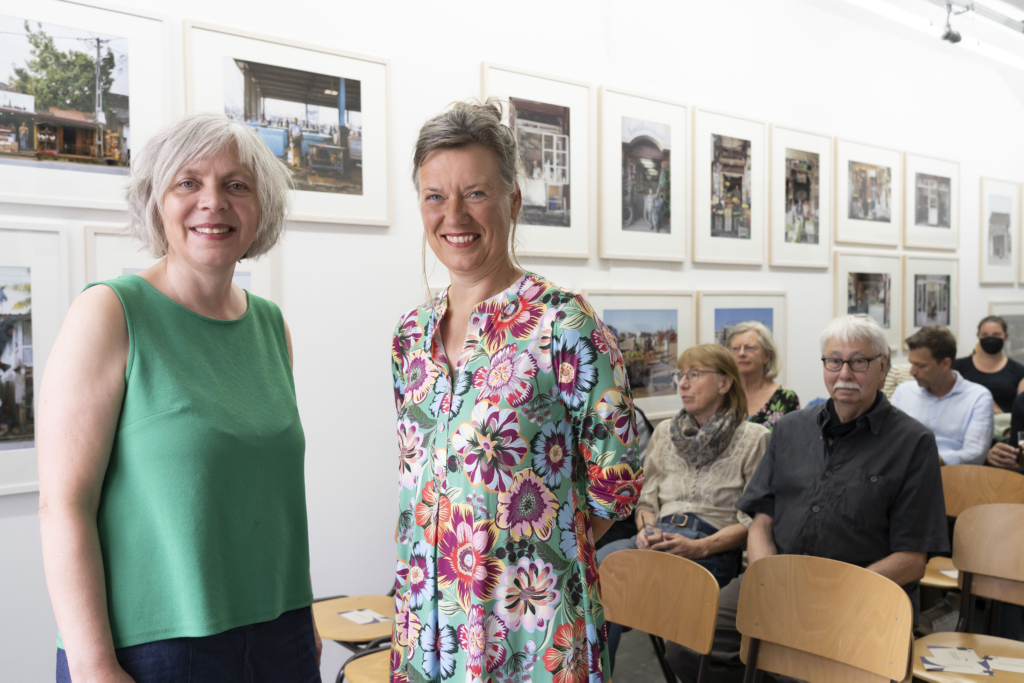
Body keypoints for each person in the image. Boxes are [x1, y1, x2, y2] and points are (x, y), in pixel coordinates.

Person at [38, 113, 321, 683]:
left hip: (280, 634)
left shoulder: (271, 326)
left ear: (260, 208)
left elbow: (269, 502)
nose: (213, 201)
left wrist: (302, 619)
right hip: (152, 650)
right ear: (156, 203)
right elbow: (63, 505)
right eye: (188, 182)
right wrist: (93, 666)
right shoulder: (110, 313)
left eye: (236, 185)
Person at [391, 99, 643, 683]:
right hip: (426, 624)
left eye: (475, 193)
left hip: (532, 628)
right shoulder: (410, 337)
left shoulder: (563, 323)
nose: (453, 214)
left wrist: (529, 550)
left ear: (513, 201)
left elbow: (615, 486)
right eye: (435, 196)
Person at [666, 314, 949, 683]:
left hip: (861, 591)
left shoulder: (913, 442)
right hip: (780, 580)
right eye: (834, 361)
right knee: (688, 642)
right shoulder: (789, 429)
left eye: (859, 362)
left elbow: (912, 559)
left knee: (805, 667)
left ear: (882, 368)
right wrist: (768, 577)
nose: (844, 373)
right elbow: (761, 520)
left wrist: (827, 592)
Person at [595, 344, 768, 670]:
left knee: (680, 631)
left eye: (695, 374)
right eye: (681, 375)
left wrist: (700, 547)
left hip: (711, 548)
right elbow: (646, 501)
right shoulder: (665, 432)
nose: (683, 383)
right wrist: (647, 531)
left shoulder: (754, 437)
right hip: (659, 538)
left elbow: (754, 522)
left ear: (725, 383)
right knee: (598, 573)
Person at [891, 326, 993, 466]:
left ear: (945, 364)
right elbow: (889, 439)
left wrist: (924, 462)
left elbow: (975, 453)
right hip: (904, 471)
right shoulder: (903, 392)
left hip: (955, 474)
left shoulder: (978, 397)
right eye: (912, 364)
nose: (912, 371)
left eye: (920, 365)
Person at [725, 321, 799, 431]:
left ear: (766, 356)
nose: (741, 353)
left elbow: (794, 439)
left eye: (750, 348)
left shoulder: (786, 398)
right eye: (735, 348)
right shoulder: (723, 394)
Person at [954, 315, 1024, 414]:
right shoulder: (957, 367)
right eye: (985, 335)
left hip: (1004, 422)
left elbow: (1021, 410)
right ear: (978, 336)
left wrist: (1000, 415)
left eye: (996, 335)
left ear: (1006, 336)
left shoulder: (1019, 371)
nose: (990, 339)